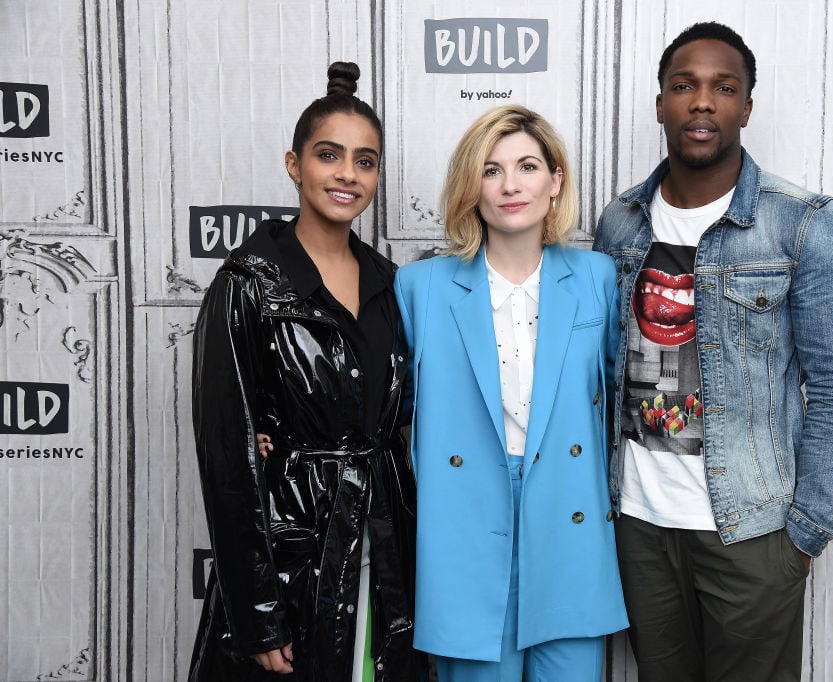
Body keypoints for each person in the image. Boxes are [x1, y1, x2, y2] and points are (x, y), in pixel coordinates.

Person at [593, 22, 833, 682]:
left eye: (723, 87)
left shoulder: (801, 221)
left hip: (750, 530)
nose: (701, 102)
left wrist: (803, 533)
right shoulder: (619, 222)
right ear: (660, 101)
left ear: (746, 106)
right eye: (684, 86)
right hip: (638, 523)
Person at [190, 62, 418, 681]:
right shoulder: (248, 284)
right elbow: (228, 461)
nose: (347, 174)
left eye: (365, 161)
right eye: (329, 155)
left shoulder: (392, 286)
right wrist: (258, 615)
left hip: (383, 544)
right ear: (295, 165)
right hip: (294, 556)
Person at [393, 104, 628, 682]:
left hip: (568, 519)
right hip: (464, 526)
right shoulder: (420, 287)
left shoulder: (597, 277)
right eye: (491, 170)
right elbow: (386, 406)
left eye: (527, 166)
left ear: (556, 181)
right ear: (472, 186)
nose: (510, 185)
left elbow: (617, 400)